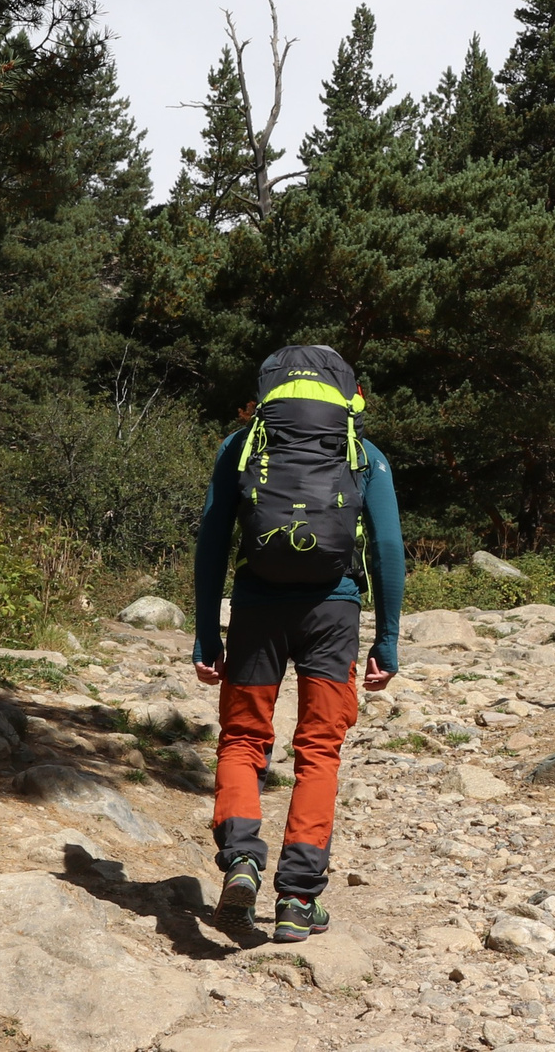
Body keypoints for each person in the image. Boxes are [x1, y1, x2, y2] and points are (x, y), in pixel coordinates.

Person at [192, 343, 405, 944]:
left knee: (242, 739)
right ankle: (296, 897)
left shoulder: (242, 447)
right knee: (319, 750)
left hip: (257, 610)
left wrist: (208, 631)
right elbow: (388, 550)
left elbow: (211, 544)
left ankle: (241, 860)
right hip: (333, 611)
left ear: (268, 395)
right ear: (347, 398)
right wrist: (386, 641)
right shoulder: (362, 453)